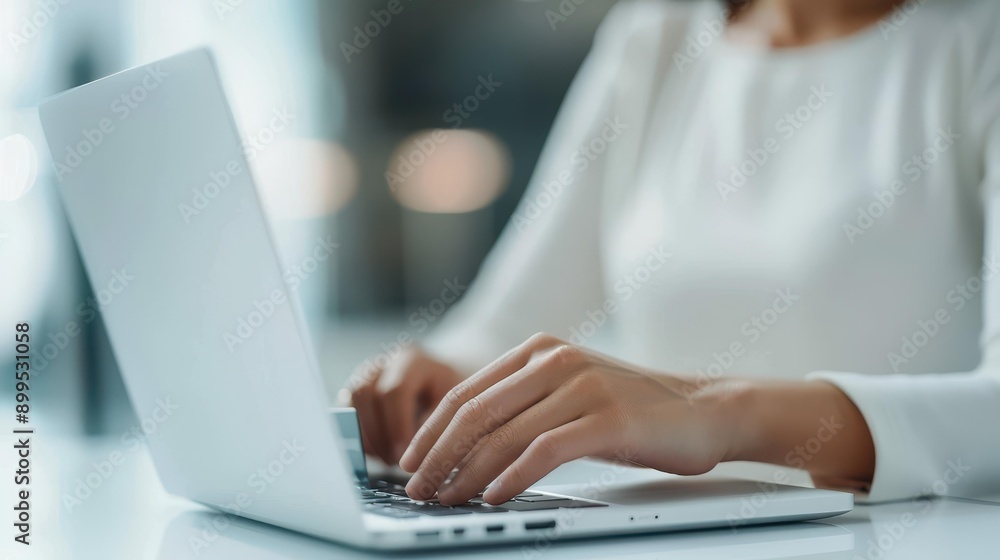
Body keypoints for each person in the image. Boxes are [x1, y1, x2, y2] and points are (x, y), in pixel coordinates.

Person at [344, 0, 1000, 507]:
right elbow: (501, 330)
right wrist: (428, 384)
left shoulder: (976, 42)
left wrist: (718, 412)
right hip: (663, 540)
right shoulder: (657, 34)